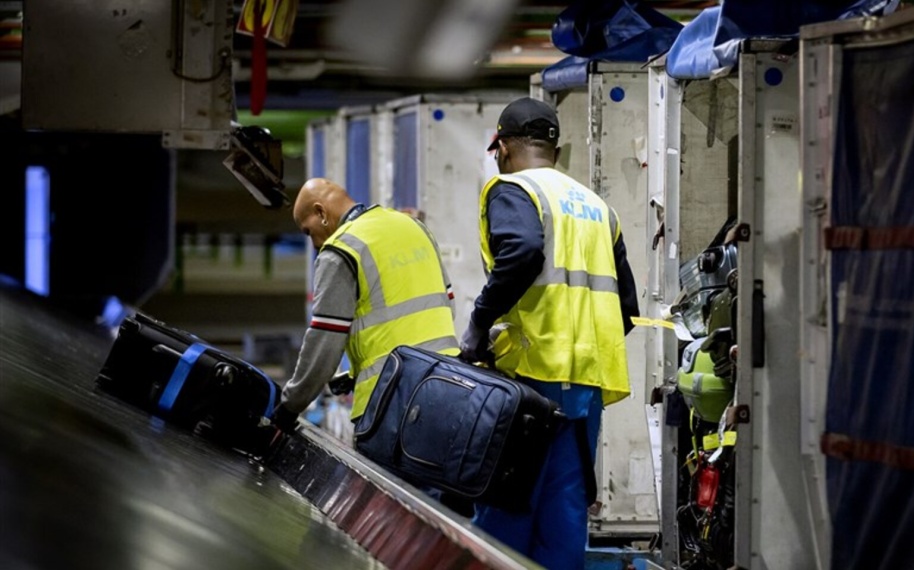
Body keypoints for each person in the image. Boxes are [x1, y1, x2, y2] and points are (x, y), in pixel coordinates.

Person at [460, 98, 639, 569]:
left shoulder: (513, 189)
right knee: (565, 511)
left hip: (530, 377)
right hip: (585, 382)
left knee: (507, 504)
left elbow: (521, 252)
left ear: (504, 147)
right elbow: (628, 308)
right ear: (554, 149)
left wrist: (479, 326)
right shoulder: (598, 208)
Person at [271, 178, 459, 432]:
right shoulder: (413, 227)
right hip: (452, 389)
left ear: (321, 212)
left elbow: (325, 343)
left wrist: (289, 406)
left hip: (390, 405)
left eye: (308, 231)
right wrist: (353, 375)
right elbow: (446, 308)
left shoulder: (339, 251)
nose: (314, 243)